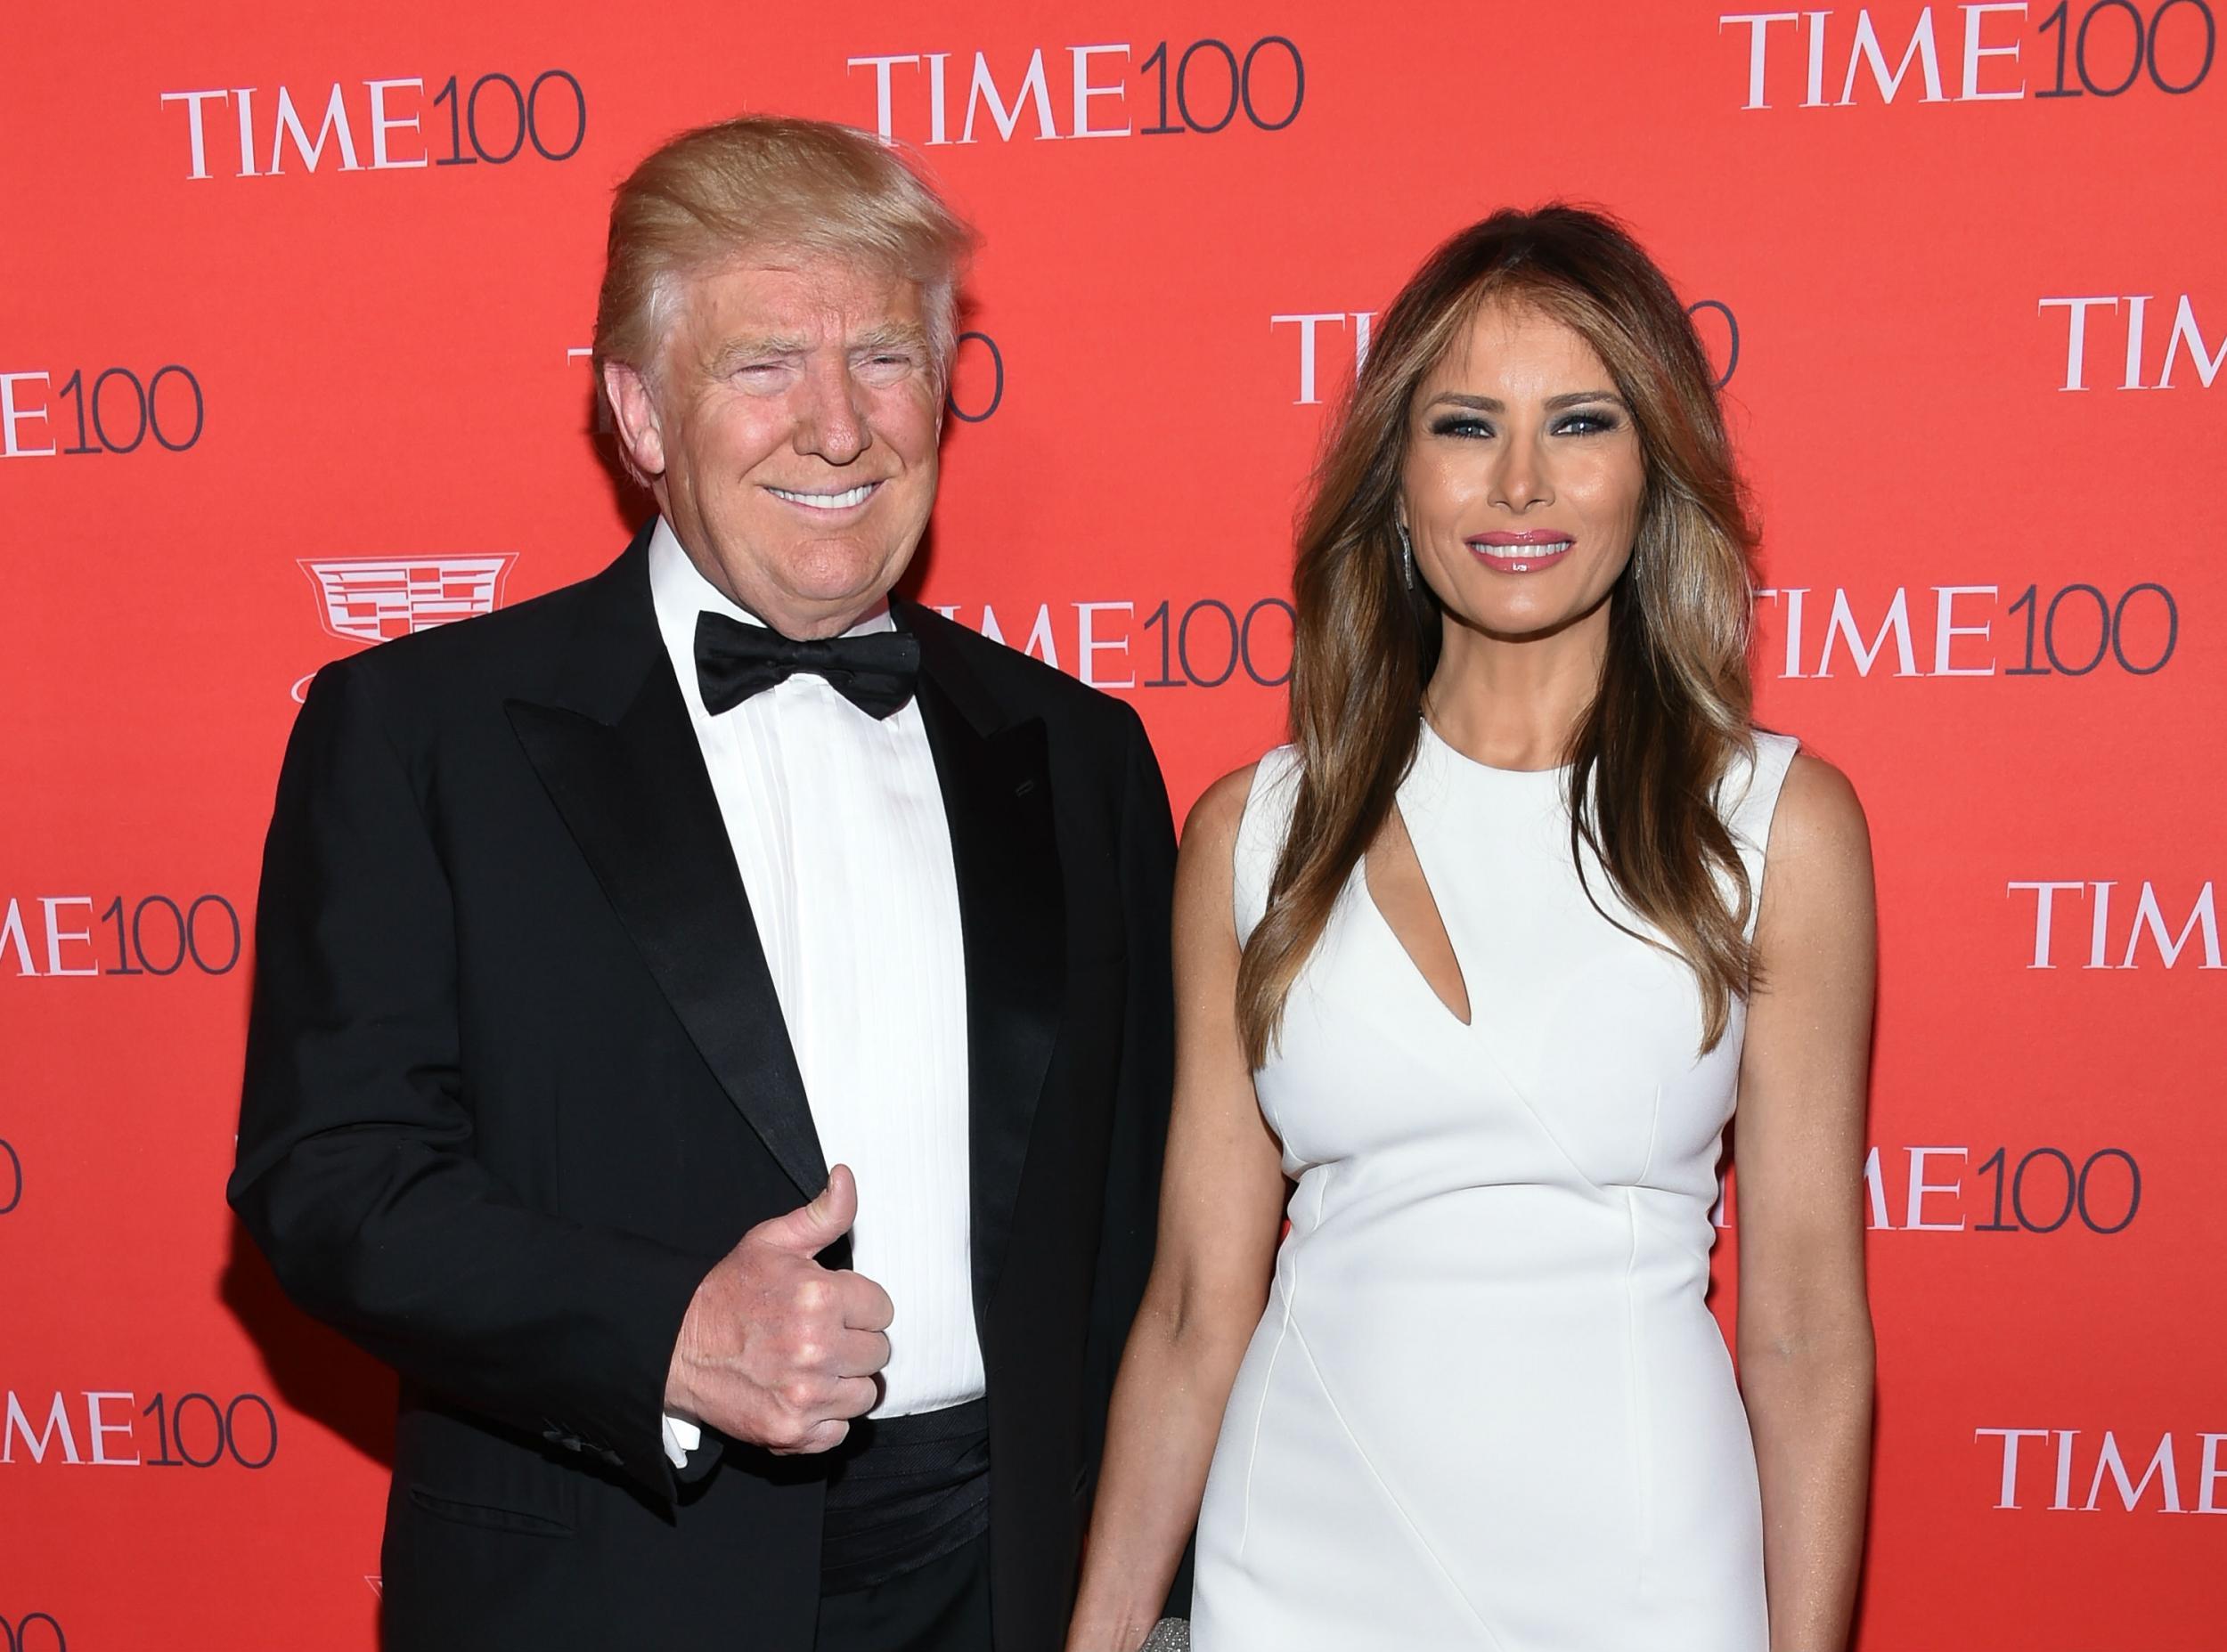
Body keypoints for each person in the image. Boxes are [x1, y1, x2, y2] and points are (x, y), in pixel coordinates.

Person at [229, 115, 1178, 1652]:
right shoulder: (418, 735)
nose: (839, 428)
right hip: (605, 1577)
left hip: (1006, 1585)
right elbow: (333, 1184)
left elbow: (1145, 1240)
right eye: (761, 366)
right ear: (640, 413)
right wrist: (664, 1333)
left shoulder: (1079, 757)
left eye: (884, 357)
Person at [1065, 207, 1876, 1651]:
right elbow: (1195, 1303)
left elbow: (1806, 1328)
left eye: (1578, 422)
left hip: (1639, 1574)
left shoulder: (1772, 825)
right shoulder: (1250, 834)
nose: (1518, 484)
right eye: (1462, 426)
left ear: (1653, 468)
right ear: (1397, 475)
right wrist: (1102, 1635)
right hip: (1295, 1564)